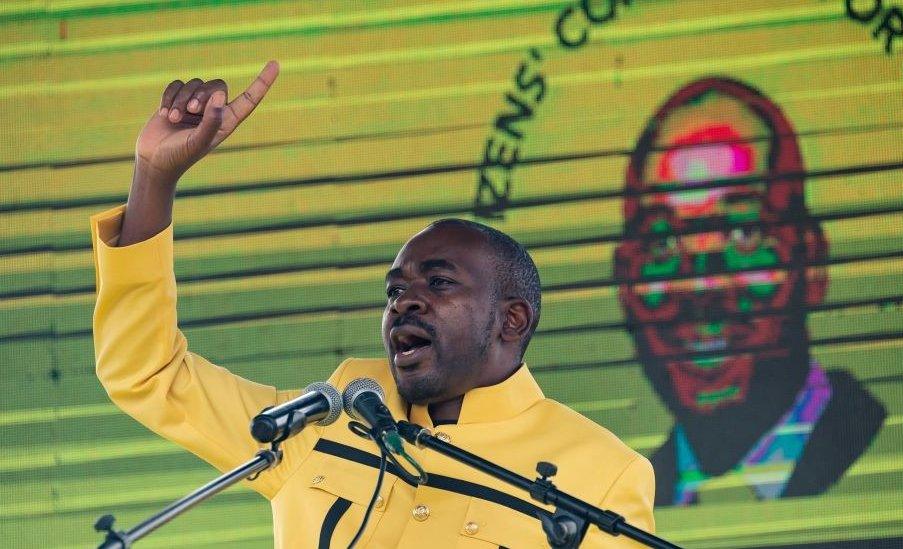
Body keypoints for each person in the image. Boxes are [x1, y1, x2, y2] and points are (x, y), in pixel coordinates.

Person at [91, 61, 656, 548]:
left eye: (439, 283)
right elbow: (147, 372)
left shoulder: (599, 476)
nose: (406, 302)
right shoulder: (326, 417)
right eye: (395, 290)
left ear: (512, 319)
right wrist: (154, 179)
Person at [614, 77, 885, 506]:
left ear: (811, 262)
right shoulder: (632, 497)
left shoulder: (886, 454)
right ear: (625, 285)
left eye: (744, 233)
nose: (700, 286)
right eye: (662, 243)